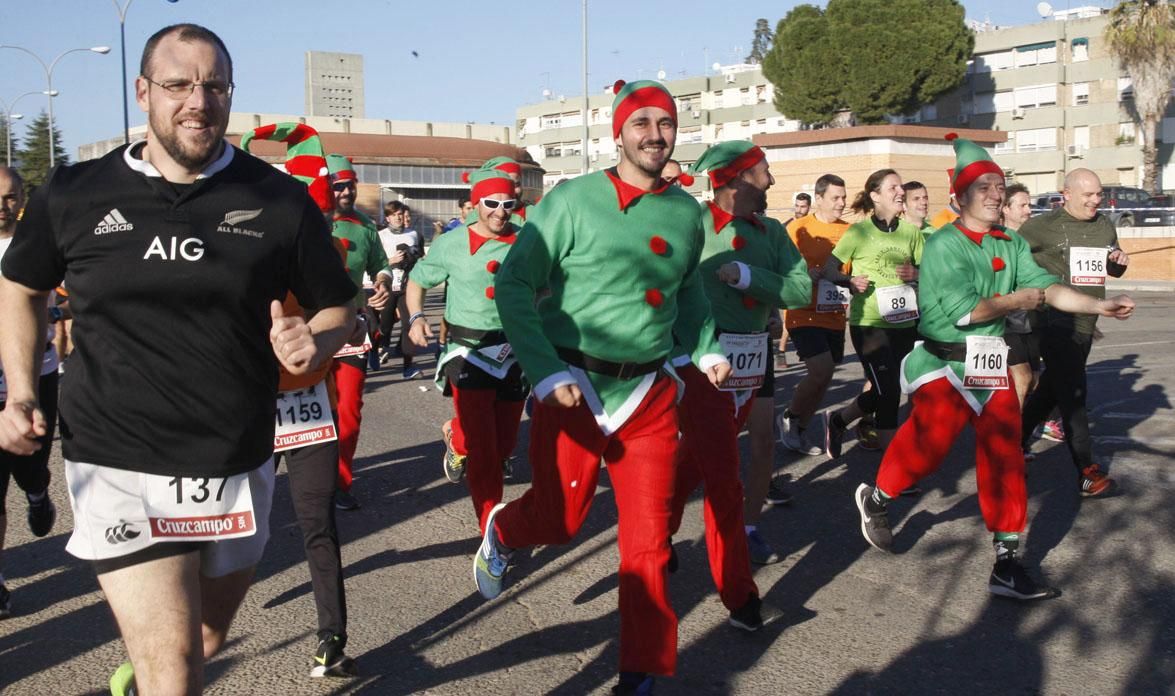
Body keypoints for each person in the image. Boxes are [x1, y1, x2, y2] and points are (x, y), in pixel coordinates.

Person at [0, 24, 357, 695]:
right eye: (178, 85)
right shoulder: (75, 192)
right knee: (178, 671)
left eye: (214, 85)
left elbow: (341, 307)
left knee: (203, 640)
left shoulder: (277, 200)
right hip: (115, 456)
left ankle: (142, 671)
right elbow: (19, 285)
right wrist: (21, 389)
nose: (198, 101)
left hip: (234, 459)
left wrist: (319, 339)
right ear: (144, 92)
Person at [476, 79, 730, 695]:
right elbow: (513, 286)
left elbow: (690, 290)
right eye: (640, 122)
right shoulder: (571, 201)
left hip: (647, 396)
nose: (654, 134)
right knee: (561, 521)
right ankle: (505, 532)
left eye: (664, 123)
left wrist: (706, 345)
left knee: (647, 543)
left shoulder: (687, 214)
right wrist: (546, 370)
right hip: (572, 386)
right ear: (618, 131)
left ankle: (638, 673)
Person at [853, 134, 1134, 601]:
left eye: (998, 185)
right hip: (945, 364)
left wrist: (1099, 307)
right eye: (982, 186)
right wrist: (1016, 300)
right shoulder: (944, 245)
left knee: (1005, 457)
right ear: (960, 197)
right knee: (931, 448)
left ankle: (1007, 561)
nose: (994, 193)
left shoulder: (1011, 242)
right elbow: (968, 311)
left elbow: (1048, 287)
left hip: (990, 362)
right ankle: (878, 498)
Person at [667, 141, 811, 618]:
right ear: (737, 180)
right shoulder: (692, 224)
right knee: (725, 473)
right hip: (702, 356)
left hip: (752, 358)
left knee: (696, 459)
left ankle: (655, 529)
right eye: (764, 171)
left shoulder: (770, 231)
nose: (771, 181)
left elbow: (799, 289)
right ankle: (740, 596)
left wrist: (749, 276)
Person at [239, 122, 358, 679]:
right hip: (248, 403)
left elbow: (347, 309)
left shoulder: (332, 248)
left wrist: (361, 312)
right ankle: (179, 632)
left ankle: (332, 634)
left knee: (317, 521)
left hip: (309, 401)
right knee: (231, 524)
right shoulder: (240, 244)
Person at [405, 169, 528, 530]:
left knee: (505, 445)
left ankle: (453, 435)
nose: (500, 212)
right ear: (476, 205)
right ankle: (490, 529)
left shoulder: (527, 240)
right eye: (491, 203)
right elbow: (417, 280)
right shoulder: (452, 243)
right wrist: (414, 318)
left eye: (508, 204)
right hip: (467, 350)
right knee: (484, 451)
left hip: (515, 350)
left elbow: (549, 285)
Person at [1019, 169, 1130, 497]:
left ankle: (1011, 442)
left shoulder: (1104, 225)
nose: (1096, 200)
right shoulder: (1041, 227)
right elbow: (1010, 259)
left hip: (1087, 321)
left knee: (1052, 389)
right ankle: (1087, 471)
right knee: (1074, 394)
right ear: (1065, 193)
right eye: (1088, 195)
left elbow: (1112, 266)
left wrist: (1118, 262)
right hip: (1052, 320)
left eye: (1098, 194)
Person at [822, 169, 924, 456]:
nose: (900, 192)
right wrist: (849, 280)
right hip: (868, 324)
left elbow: (933, 271)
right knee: (889, 392)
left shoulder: (911, 233)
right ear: (875, 196)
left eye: (901, 187)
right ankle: (894, 471)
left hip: (905, 323)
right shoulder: (859, 232)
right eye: (893, 188)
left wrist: (916, 272)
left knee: (892, 389)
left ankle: (839, 420)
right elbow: (830, 269)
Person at [0, 167, 59, 619]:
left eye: (10, 196)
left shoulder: (38, 241)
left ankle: (38, 493)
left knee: (31, 467)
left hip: (38, 376)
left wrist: (57, 312)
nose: (2, 205)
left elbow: (74, 293)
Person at [326, 154, 392, 511]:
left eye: (350, 184)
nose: (347, 191)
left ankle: (340, 482)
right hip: (309, 329)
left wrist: (382, 282)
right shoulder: (304, 220)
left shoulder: (366, 226)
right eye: (339, 185)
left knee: (349, 410)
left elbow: (381, 266)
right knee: (306, 413)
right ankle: (304, 479)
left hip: (351, 330)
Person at [778, 174, 851, 458]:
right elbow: (782, 267)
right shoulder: (797, 229)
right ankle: (791, 416)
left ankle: (799, 426)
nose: (841, 203)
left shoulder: (851, 231)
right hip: (803, 313)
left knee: (825, 376)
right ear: (818, 198)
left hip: (835, 314)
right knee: (821, 370)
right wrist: (804, 274)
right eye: (835, 197)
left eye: (844, 197)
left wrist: (849, 279)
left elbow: (853, 268)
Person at [999, 183, 1041, 408]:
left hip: (1031, 318)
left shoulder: (1035, 241)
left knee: (1034, 379)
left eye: (1029, 204)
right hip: (1006, 320)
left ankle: (1021, 426)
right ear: (1006, 209)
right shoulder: (996, 239)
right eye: (1023, 205)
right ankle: (1009, 433)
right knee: (1022, 378)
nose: (1028, 210)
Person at [377, 199, 424, 377]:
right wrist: (391, 261)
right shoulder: (381, 236)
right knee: (385, 325)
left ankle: (408, 366)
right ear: (387, 218)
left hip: (407, 286)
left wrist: (416, 259)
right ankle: (376, 349)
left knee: (408, 324)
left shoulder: (413, 234)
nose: (398, 218)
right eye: (394, 215)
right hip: (388, 285)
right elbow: (375, 262)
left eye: (400, 214)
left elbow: (420, 256)